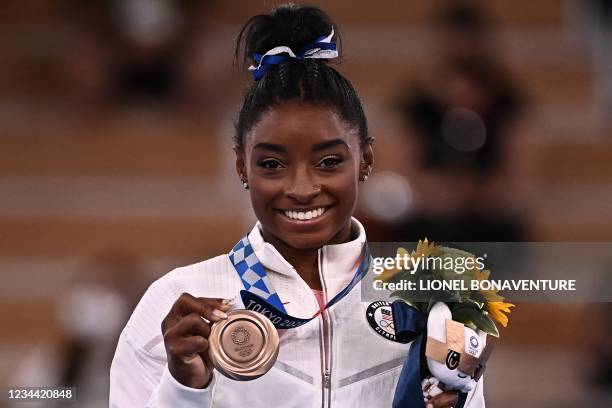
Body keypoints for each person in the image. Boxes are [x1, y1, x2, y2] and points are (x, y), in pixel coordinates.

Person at [109, 5, 485, 407]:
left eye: (328, 162)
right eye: (272, 164)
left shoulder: (424, 305)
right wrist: (184, 390)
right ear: (242, 167)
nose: (302, 188)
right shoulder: (178, 304)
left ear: (366, 161)